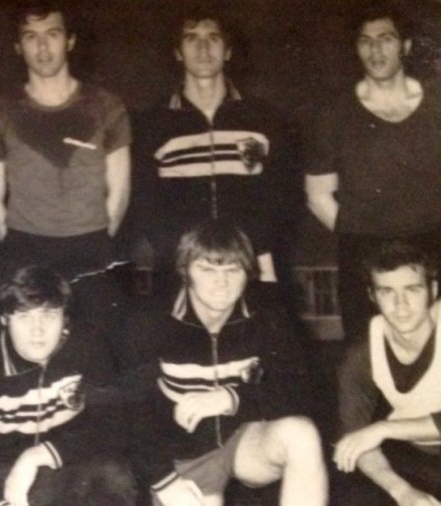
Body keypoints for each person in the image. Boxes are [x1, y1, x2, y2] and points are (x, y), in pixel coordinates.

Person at [120, 220, 327, 506]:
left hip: (242, 441)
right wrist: (164, 481)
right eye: (207, 270)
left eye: (233, 270)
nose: (221, 283)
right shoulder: (150, 320)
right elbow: (130, 414)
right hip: (179, 456)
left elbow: (300, 391)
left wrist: (232, 398)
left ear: (248, 273)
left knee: (302, 435)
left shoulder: (267, 312)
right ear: (185, 271)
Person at [0, 0, 131, 351]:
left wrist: (93, 241)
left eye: (52, 34)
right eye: (31, 36)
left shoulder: (106, 107)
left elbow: (119, 195)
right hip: (26, 250)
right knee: (31, 355)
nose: (43, 47)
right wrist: (20, 251)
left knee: (93, 352)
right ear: (18, 46)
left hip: (90, 249)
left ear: (70, 40)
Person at [133, 3, 299, 306]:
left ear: (228, 50)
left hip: (250, 268)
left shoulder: (264, 119)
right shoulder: (152, 124)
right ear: (178, 52)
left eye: (213, 37)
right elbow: (145, 204)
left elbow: (283, 197)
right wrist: (185, 255)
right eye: (191, 38)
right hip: (180, 270)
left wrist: (253, 250)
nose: (203, 48)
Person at [0, 265, 136, 506]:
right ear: (4, 320)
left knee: (114, 474)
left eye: (49, 315)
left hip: (65, 462)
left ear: (65, 318)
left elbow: (115, 425)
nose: (38, 331)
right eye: (24, 316)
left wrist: (39, 455)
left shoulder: (88, 345)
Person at [305, 0, 441, 341]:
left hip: (433, 246)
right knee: (366, 352)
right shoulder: (335, 114)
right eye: (366, 41)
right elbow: (318, 196)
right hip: (364, 253)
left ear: (405, 46)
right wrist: (362, 235)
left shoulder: (436, 103)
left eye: (386, 39)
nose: (376, 50)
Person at [335, 240, 441, 505]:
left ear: (433, 290)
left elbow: (375, 433)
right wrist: (402, 493)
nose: (400, 305)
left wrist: (384, 428)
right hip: (418, 455)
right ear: (372, 296)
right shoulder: (362, 352)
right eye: (387, 292)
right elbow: (355, 438)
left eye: (412, 289)